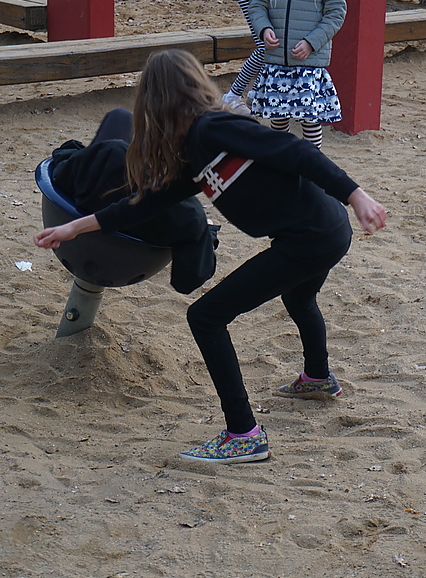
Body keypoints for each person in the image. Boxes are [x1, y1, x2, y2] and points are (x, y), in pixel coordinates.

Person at [34, 49, 387, 465]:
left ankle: (243, 435)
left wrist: (356, 194)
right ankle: (317, 378)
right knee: (299, 297)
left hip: (313, 236)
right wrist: (76, 226)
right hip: (323, 231)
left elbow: (297, 152)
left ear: (156, 101)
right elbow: (147, 203)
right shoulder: (194, 150)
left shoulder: (214, 128)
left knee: (206, 316)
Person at [49, 107, 219, 296]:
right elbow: (188, 281)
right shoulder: (189, 213)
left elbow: (59, 164)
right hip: (126, 243)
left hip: (81, 200)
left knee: (120, 118)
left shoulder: (112, 152)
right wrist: (208, 233)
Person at [248, 0, 346, 150]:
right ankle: (281, 163)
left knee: (309, 121)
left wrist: (312, 42)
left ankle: (312, 164)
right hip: (277, 59)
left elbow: (336, 11)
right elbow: (257, 3)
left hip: (308, 62)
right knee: (277, 119)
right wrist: (264, 28)